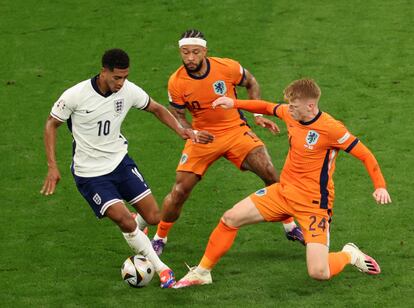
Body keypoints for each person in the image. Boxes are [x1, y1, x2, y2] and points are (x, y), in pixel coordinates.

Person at [174, 78, 392, 288]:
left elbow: (365, 155)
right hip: (283, 193)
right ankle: (202, 273)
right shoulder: (292, 114)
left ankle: (349, 254)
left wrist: (380, 186)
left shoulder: (332, 129)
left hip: (313, 206)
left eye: (294, 106)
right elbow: (268, 107)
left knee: (319, 272)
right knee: (230, 218)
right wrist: (234, 103)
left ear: (310, 105)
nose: (290, 109)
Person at [40, 48, 196, 288]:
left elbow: (156, 108)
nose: (121, 83)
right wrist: (52, 166)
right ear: (104, 72)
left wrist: (181, 131)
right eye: (117, 77)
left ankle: (137, 231)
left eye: (125, 77)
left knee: (154, 217)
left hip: (120, 164)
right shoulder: (76, 95)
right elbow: (52, 124)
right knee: (125, 222)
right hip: (90, 175)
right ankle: (162, 269)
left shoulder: (128, 90)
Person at [151, 29, 303, 255]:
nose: (190, 58)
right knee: (180, 190)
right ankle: (159, 237)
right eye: (185, 53)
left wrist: (257, 114)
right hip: (203, 137)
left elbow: (251, 82)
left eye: (195, 52)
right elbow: (177, 114)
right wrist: (191, 132)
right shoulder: (177, 81)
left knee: (270, 172)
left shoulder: (226, 67)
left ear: (205, 51)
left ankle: (289, 225)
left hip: (235, 131)